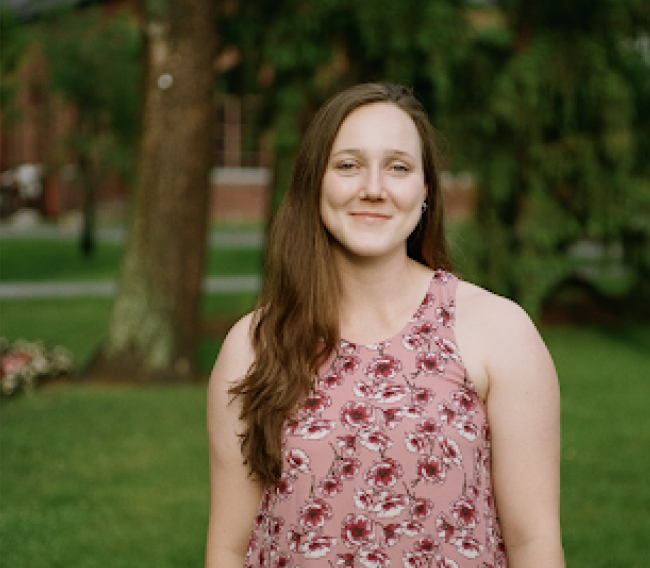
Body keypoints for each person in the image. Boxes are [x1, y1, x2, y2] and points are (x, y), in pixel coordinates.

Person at [205, 83, 565, 568]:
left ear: (424, 193)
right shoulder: (254, 345)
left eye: (398, 167)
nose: (373, 188)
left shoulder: (499, 332)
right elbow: (229, 548)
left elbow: (533, 544)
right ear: (315, 184)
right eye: (348, 165)